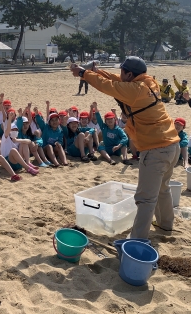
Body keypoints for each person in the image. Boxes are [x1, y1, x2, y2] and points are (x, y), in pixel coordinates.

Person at [71, 56, 180, 239]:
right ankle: (165, 226)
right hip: (172, 145)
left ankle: (137, 241)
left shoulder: (135, 90)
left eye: (123, 71)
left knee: (145, 199)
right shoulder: (148, 82)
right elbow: (116, 80)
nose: (120, 74)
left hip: (155, 149)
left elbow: (109, 86)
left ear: (130, 74)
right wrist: (95, 71)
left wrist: (83, 73)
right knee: (163, 189)